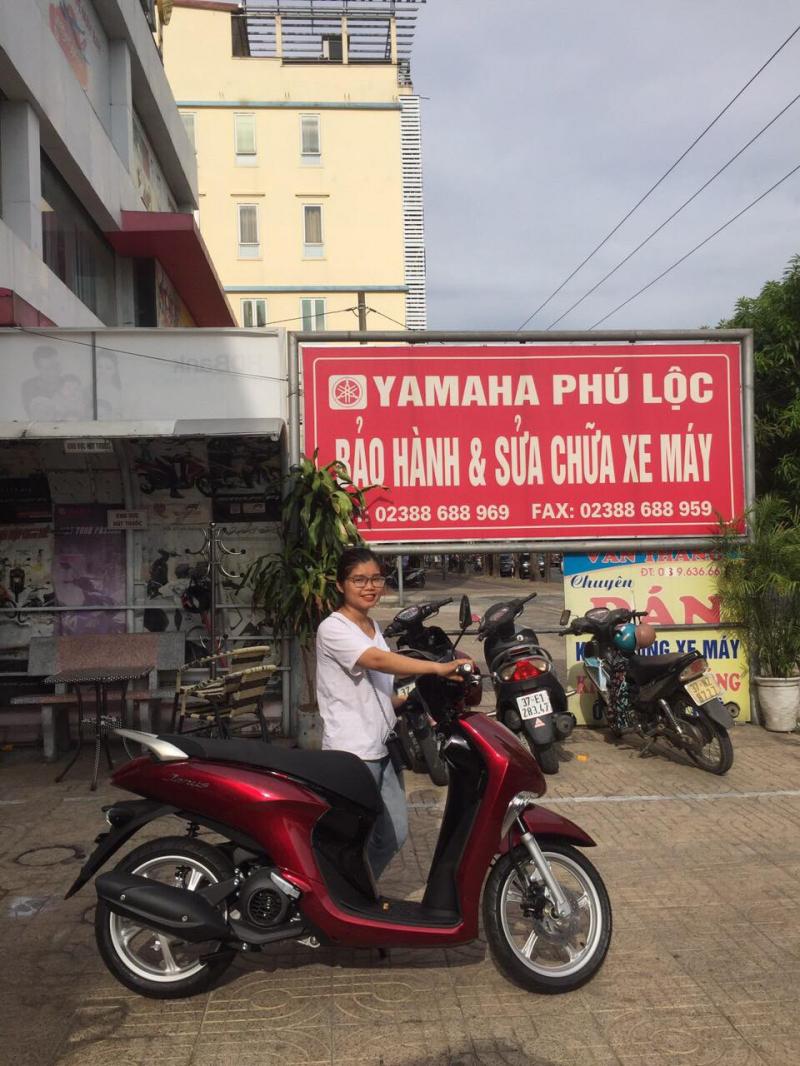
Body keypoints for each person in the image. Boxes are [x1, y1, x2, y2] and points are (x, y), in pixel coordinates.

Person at [315, 546, 469, 881]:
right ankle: (340, 894)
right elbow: (378, 661)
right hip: (353, 752)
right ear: (340, 584)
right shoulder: (333, 628)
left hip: (383, 746)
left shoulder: (372, 625)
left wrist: (411, 696)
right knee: (352, 837)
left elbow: (378, 683)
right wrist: (436, 667)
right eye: (359, 580)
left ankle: (357, 891)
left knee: (394, 833)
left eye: (376, 579)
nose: (370, 587)